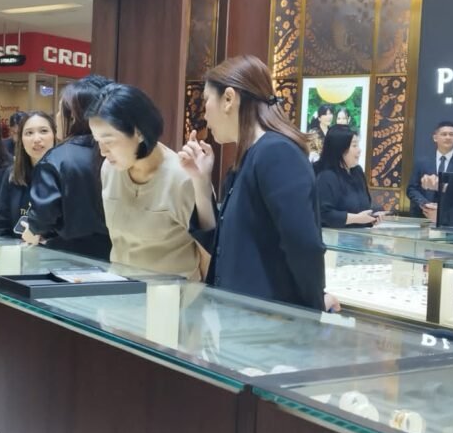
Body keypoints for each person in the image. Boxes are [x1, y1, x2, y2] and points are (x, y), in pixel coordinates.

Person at [178, 55, 326, 310]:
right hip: (243, 318)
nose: (205, 114)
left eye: (206, 100)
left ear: (228, 99)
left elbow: (304, 246)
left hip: (269, 322)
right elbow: (224, 248)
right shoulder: (249, 158)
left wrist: (313, 309)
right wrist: (201, 182)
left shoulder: (276, 152)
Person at [88, 83, 204, 281]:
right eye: (97, 141)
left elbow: (208, 253)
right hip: (120, 289)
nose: (103, 151)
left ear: (139, 132)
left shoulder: (182, 178)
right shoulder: (110, 168)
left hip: (173, 295)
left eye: (109, 141)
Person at [24, 74, 113, 259]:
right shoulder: (116, 152)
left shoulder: (56, 159)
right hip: (115, 255)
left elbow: (43, 216)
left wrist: (33, 229)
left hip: (66, 256)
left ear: (72, 115)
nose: (56, 116)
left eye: (59, 110)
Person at [0, 111, 56, 237]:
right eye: (29, 133)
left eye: (43, 131)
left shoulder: (66, 174)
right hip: (16, 247)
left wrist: (43, 239)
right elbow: (0, 226)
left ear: (54, 135)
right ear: (21, 140)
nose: (36, 139)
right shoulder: (12, 174)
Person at [315, 126, 378, 228]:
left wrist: (371, 217)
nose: (359, 150)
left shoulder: (357, 172)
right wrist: (357, 218)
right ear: (340, 148)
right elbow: (324, 214)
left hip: (360, 235)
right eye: (354, 145)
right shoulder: (326, 177)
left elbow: (363, 206)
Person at [407, 120, 453, 220]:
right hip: (422, 216)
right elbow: (411, 189)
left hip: (450, 217)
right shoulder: (422, 162)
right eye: (444, 134)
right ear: (435, 138)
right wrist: (424, 204)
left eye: (451, 134)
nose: (448, 137)